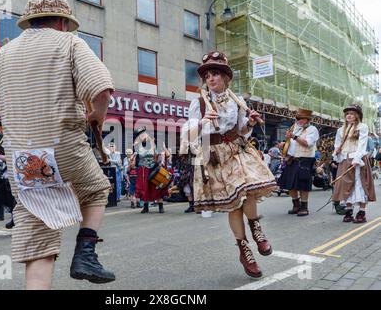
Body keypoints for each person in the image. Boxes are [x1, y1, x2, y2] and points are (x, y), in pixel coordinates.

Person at [0, 0, 115, 289]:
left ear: (29, 23)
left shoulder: (4, 53)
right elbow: (102, 89)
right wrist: (96, 118)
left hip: (24, 159)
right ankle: (86, 254)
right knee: (96, 190)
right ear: (63, 22)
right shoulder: (71, 43)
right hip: (63, 147)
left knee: (38, 237)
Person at [182, 51, 277, 278]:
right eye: (207, 76)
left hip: (237, 150)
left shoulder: (237, 101)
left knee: (248, 191)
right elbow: (187, 135)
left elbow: (242, 130)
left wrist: (250, 122)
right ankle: (244, 250)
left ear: (225, 77)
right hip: (215, 156)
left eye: (215, 74)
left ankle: (257, 230)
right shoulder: (199, 104)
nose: (210, 79)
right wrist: (203, 122)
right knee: (235, 203)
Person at [332, 105, 376, 223]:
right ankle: (349, 211)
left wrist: (357, 159)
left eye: (352, 113)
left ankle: (361, 212)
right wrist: (336, 154)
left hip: (358, 160)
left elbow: (362, 144)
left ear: (357, 115)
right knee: (346, 186)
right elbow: (337, 144)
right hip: (345, 159)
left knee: (360, 185)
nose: (349, 116)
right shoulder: (340, 130)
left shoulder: (362, 127)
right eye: (347, 114)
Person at [278, 109, 319, 217]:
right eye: (297, 118)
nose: (299, 120)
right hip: (291, 159)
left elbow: (307, 143)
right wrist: (283, 144)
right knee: (290, 185)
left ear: (307, 120)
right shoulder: (294, 128)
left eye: (302, 118)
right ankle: (296, 204)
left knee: (303, 185)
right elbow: (290, 143)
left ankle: (304, 207)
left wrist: (294, 137)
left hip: (304, 159)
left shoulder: (312, 129)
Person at [134, 127, 167, 214]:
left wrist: (162, 161)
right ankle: (145, 207)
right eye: (140, 135)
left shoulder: (154, 142)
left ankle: (160, 205)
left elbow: (161, 152)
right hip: (143, 169)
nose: (142, 136)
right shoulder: (138, 145)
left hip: (153, 166)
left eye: (143, 134)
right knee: (144, 187)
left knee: (157, 186)